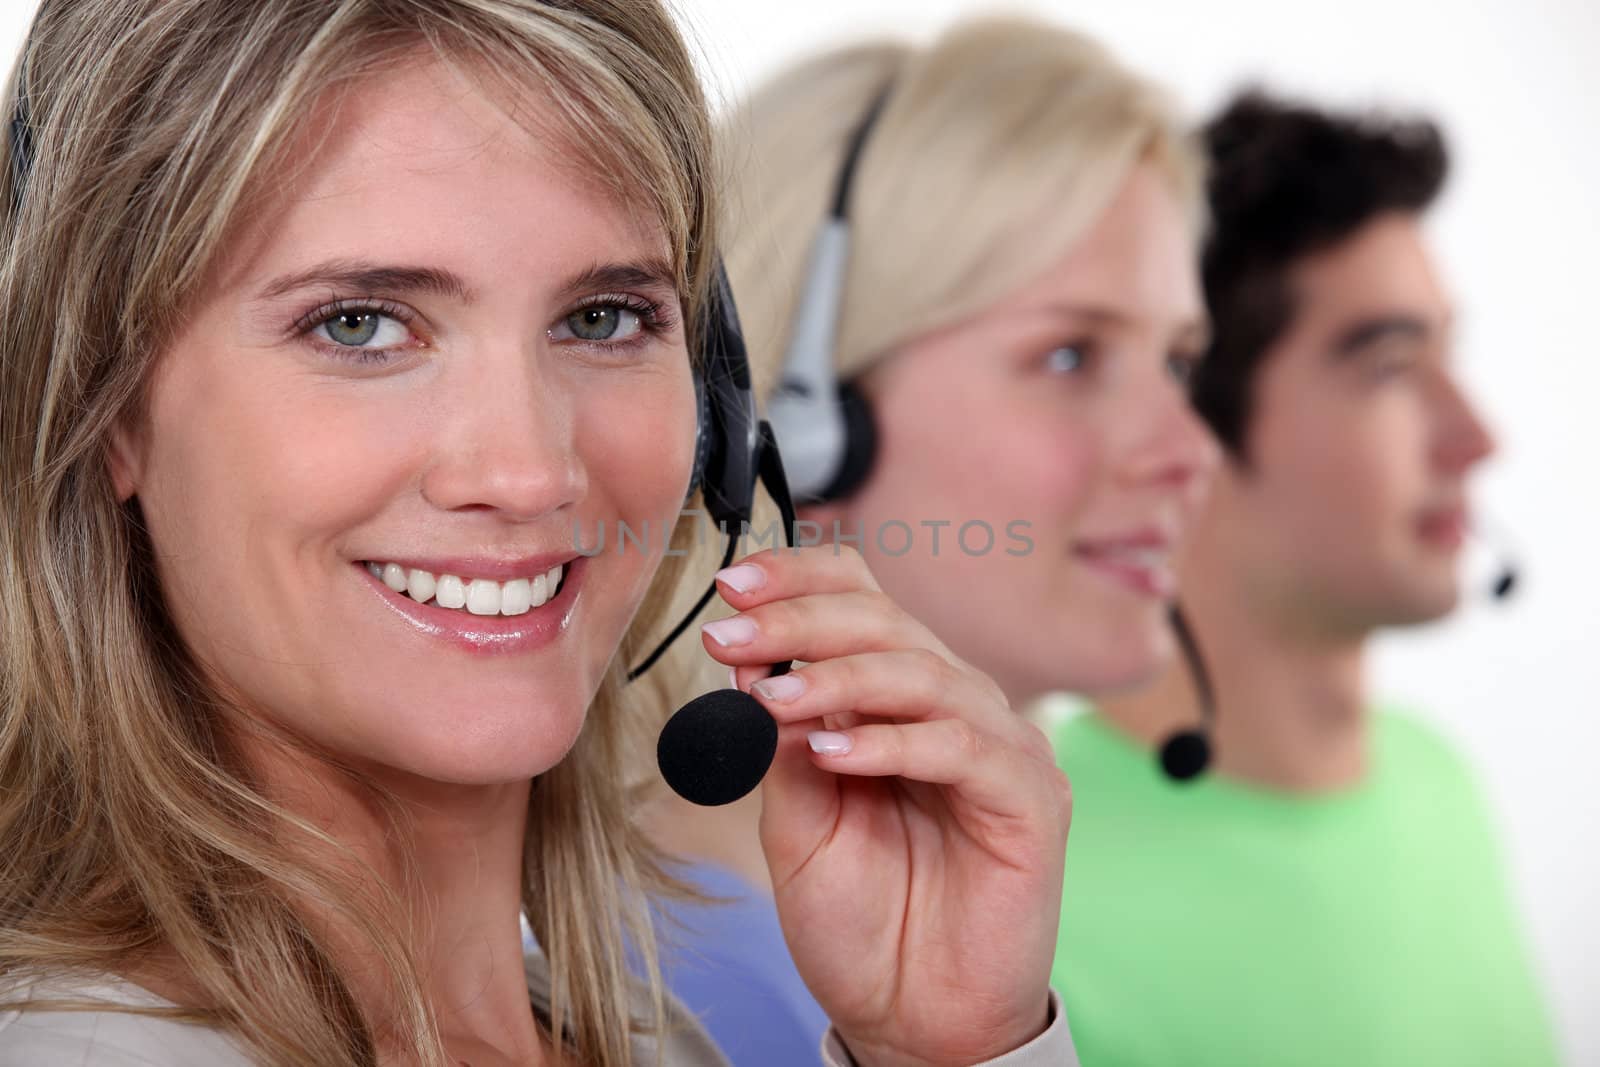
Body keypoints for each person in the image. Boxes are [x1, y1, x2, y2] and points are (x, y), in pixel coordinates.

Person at [0, 1, 1077, 1064]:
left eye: (602, 318)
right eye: (359, 324)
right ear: (105, 409)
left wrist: (949, 1049)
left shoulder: (655, 1041)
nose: (529, 471)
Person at [640, 17, 1217, 1061]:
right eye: (1069, 355)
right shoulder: (657, 997)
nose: (1188, 451)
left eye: (1176, 362)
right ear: (803, 423)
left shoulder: (988, 942)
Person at [1044, 90, 1562, 1066]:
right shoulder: (1014, 879)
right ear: (1184, 423)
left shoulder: (1436, 781)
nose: (1477, 434)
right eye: (1391, 364)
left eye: (1450, 353)